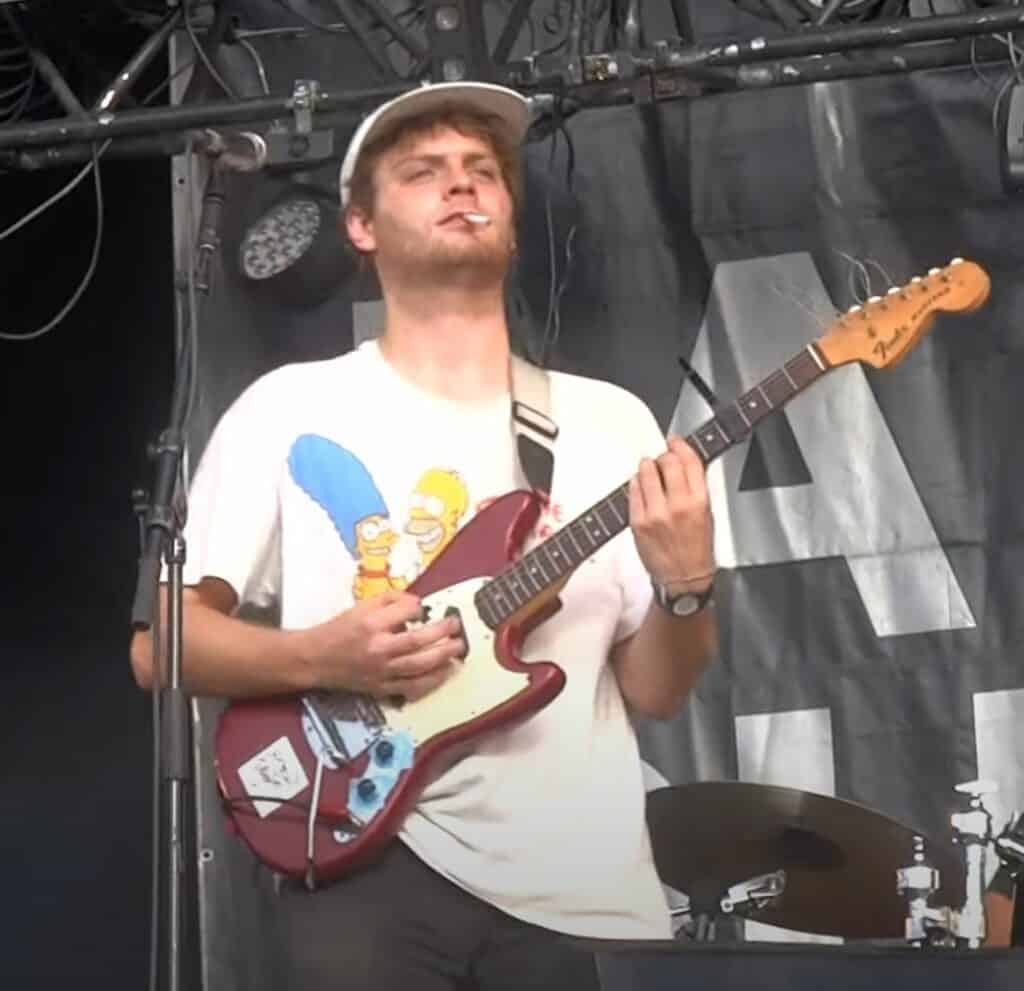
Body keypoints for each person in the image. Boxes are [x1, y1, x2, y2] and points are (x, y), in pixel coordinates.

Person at [130, 80, 718, 990]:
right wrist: (323, 656)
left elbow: (657, 688)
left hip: (583, 886)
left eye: (483, 169)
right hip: (368, 863)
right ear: (360, 226)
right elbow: (160, 644)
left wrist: (687, 588)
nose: (462, 183)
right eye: (423, 171)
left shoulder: (611, 423)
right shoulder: (289, 409)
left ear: (510, 222)